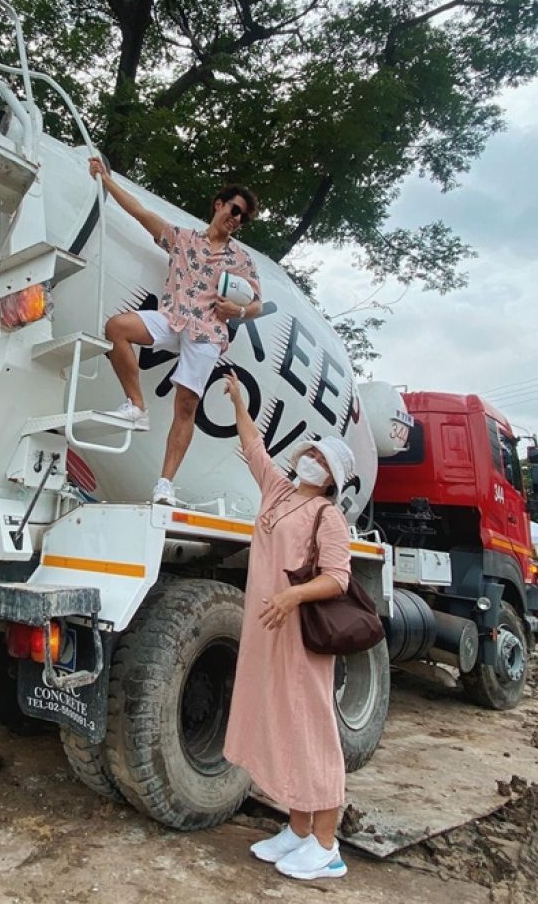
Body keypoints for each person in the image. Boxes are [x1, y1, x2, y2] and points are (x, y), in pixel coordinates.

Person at [222, 370, 355, 881]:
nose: (312, 460)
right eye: (313, 453)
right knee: (283, 722)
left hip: (300, 634)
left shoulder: (327, 516)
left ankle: (326, 845)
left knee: (312, 728)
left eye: (322, 461)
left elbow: (338, 579)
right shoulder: (278, 492)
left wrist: (292, 594)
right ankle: (298, 829)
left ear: (333, 479)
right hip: (269, 631)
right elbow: (254, 445)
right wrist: (237, 399)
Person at [88, 156, 262, 504]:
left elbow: (256, 303)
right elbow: (140, 213)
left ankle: (165, 483)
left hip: (207, 332)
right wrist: (106, 181)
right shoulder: (183, 239)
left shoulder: (241, 260)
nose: (237, 218)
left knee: (186, 406)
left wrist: (238, 309)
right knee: (117, 328)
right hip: (173, 317)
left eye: (242, 217)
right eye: (235, 209)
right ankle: (136, 405)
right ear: (219, 204)